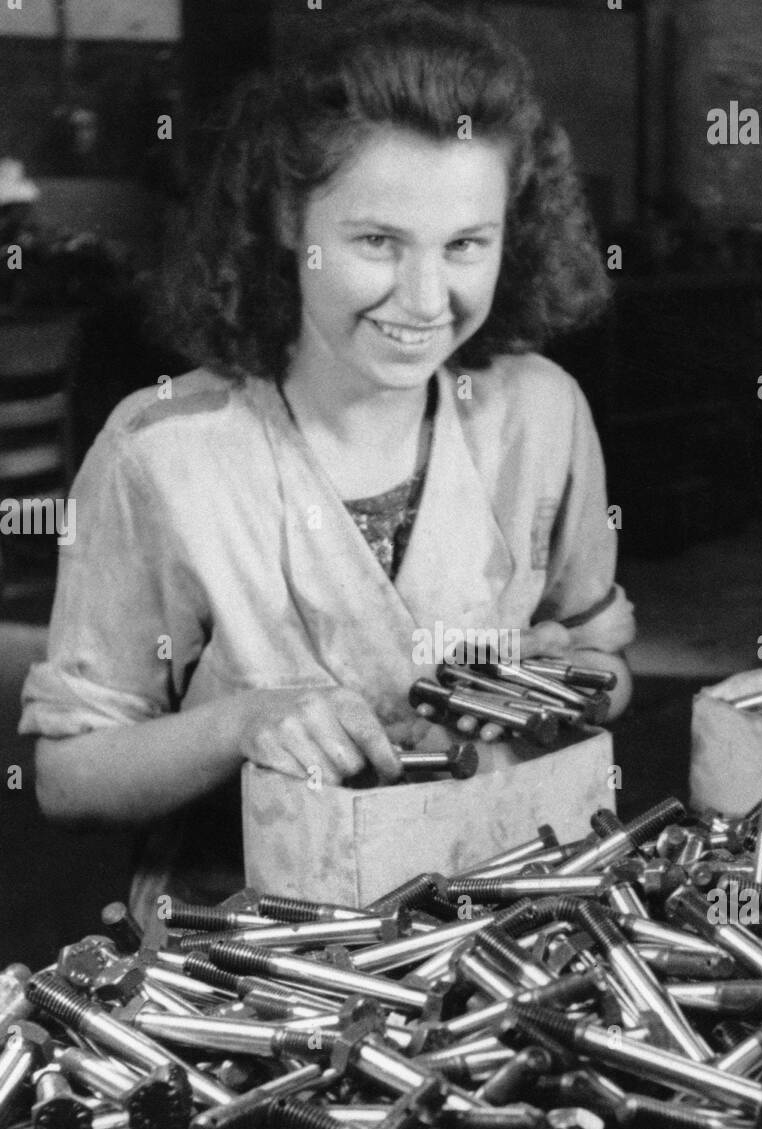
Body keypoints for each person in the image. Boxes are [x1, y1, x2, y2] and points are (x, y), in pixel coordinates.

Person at [20, 0, 635, 925]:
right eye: (377, 241)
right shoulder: (164, 452)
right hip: (246, 946)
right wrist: (244, 723)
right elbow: (66, 778)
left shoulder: (541, 411)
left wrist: (566, 683)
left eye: (466, 244)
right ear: (284, 214)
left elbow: (607, 668)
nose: (426, 300)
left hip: (501, 916)